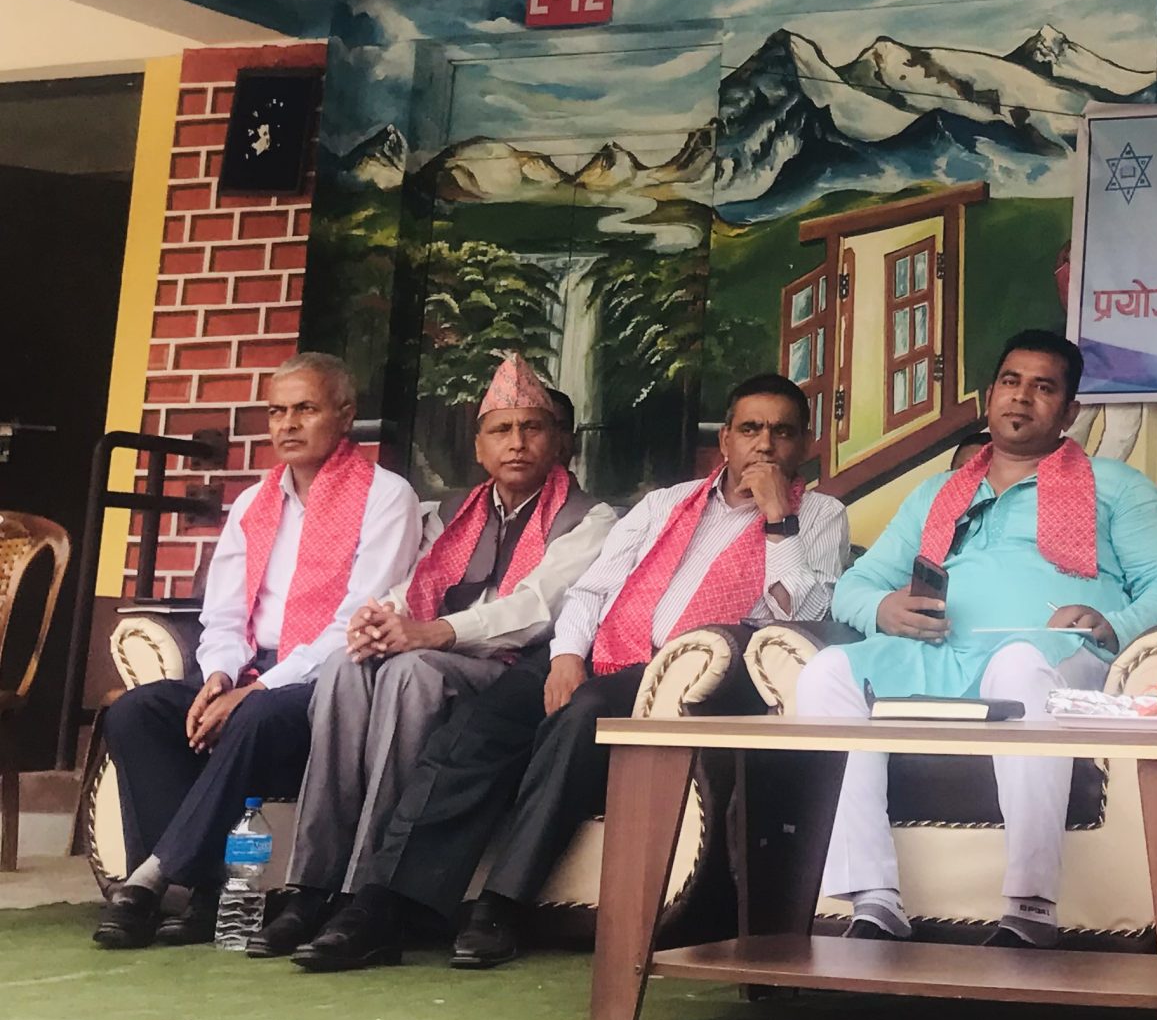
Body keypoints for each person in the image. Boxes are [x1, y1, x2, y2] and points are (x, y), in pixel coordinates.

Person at [329, 375, 847, 971]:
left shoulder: (821, 515)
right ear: (725, 440)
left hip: (696, 677)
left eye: (782, 432)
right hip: (599, 655)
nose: (765, 444)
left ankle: (500, 905)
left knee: (585, 712)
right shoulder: (665, 504)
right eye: (751, 429)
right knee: (482, 723)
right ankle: (384, 904)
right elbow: (591, 590)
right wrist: (567, 656)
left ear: (804, 443)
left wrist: (779, 519)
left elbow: (803, 615)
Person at [798, 330, 1157, 947]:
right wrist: (883, 608)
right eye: (1011, 381)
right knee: (827, 673)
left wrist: (1110, 623)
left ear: (1069, 411)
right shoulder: (938, 493)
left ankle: (1030, 908)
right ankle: (873, 899)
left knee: (1017, 664)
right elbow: (856, 583)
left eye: (1044, 387)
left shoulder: (1117, 485)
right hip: (941, 653)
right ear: (990, 395)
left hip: (1061, 658)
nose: (1022, 397)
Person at [274, 355, 617, 969]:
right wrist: (381, 620)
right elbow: (413, 587)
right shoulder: (452, 513)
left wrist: (431, 634)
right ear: (479, 448)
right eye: (501, 430)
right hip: (437, 651)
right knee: (347, 665)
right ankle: (311, 885)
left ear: (558, 442)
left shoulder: (590, 517)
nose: (517, 442)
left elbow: (536, 608)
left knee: (410, 672)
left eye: (532, 428)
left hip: (511, 669)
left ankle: (365, 893)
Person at [93, 355, 421, 949]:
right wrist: (219, 677)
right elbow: (222, 614)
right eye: (276, 411)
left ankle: (150, 882)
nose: (287, 424)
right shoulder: (253, 504)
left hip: (331, 684)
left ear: (345, 415)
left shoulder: (386, 497)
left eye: (305, 409)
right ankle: (206, 896)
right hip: (249, 672)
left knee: (257, 715)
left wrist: (258, 689)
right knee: (137, 712)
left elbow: (356, 624)